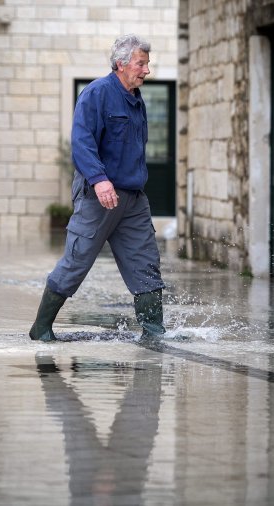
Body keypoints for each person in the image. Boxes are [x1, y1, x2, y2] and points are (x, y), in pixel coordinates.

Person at [29, 34, 166, 344]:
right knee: (77, 261)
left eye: (147, 63)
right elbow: (82, 141)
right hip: (99, 196)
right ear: (121, 64)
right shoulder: (97, 94)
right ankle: (41, 327)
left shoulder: (136, 98)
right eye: (141, 63)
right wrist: (99, 179)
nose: (146, 70)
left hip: (133, 199)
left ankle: (154, 332)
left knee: (146, 263)